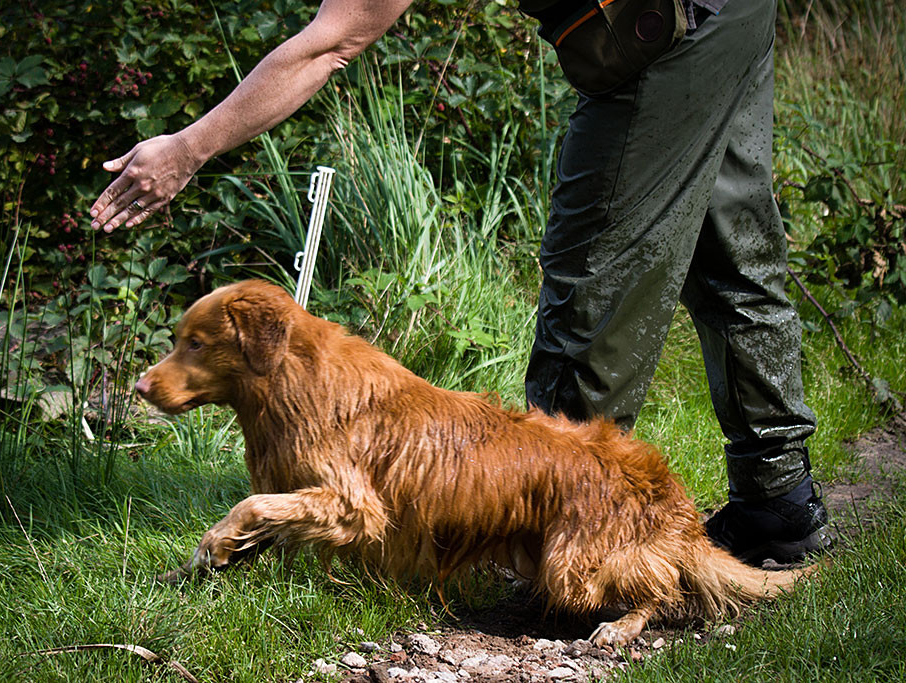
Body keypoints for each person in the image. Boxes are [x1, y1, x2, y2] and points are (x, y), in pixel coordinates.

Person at [90, 0, 831, 565]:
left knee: (594, 274)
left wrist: (189, 147)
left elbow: (329, 42)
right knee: (727, 250)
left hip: (662, 24)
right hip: (725, 10)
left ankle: (544, 540)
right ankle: (777, 502)